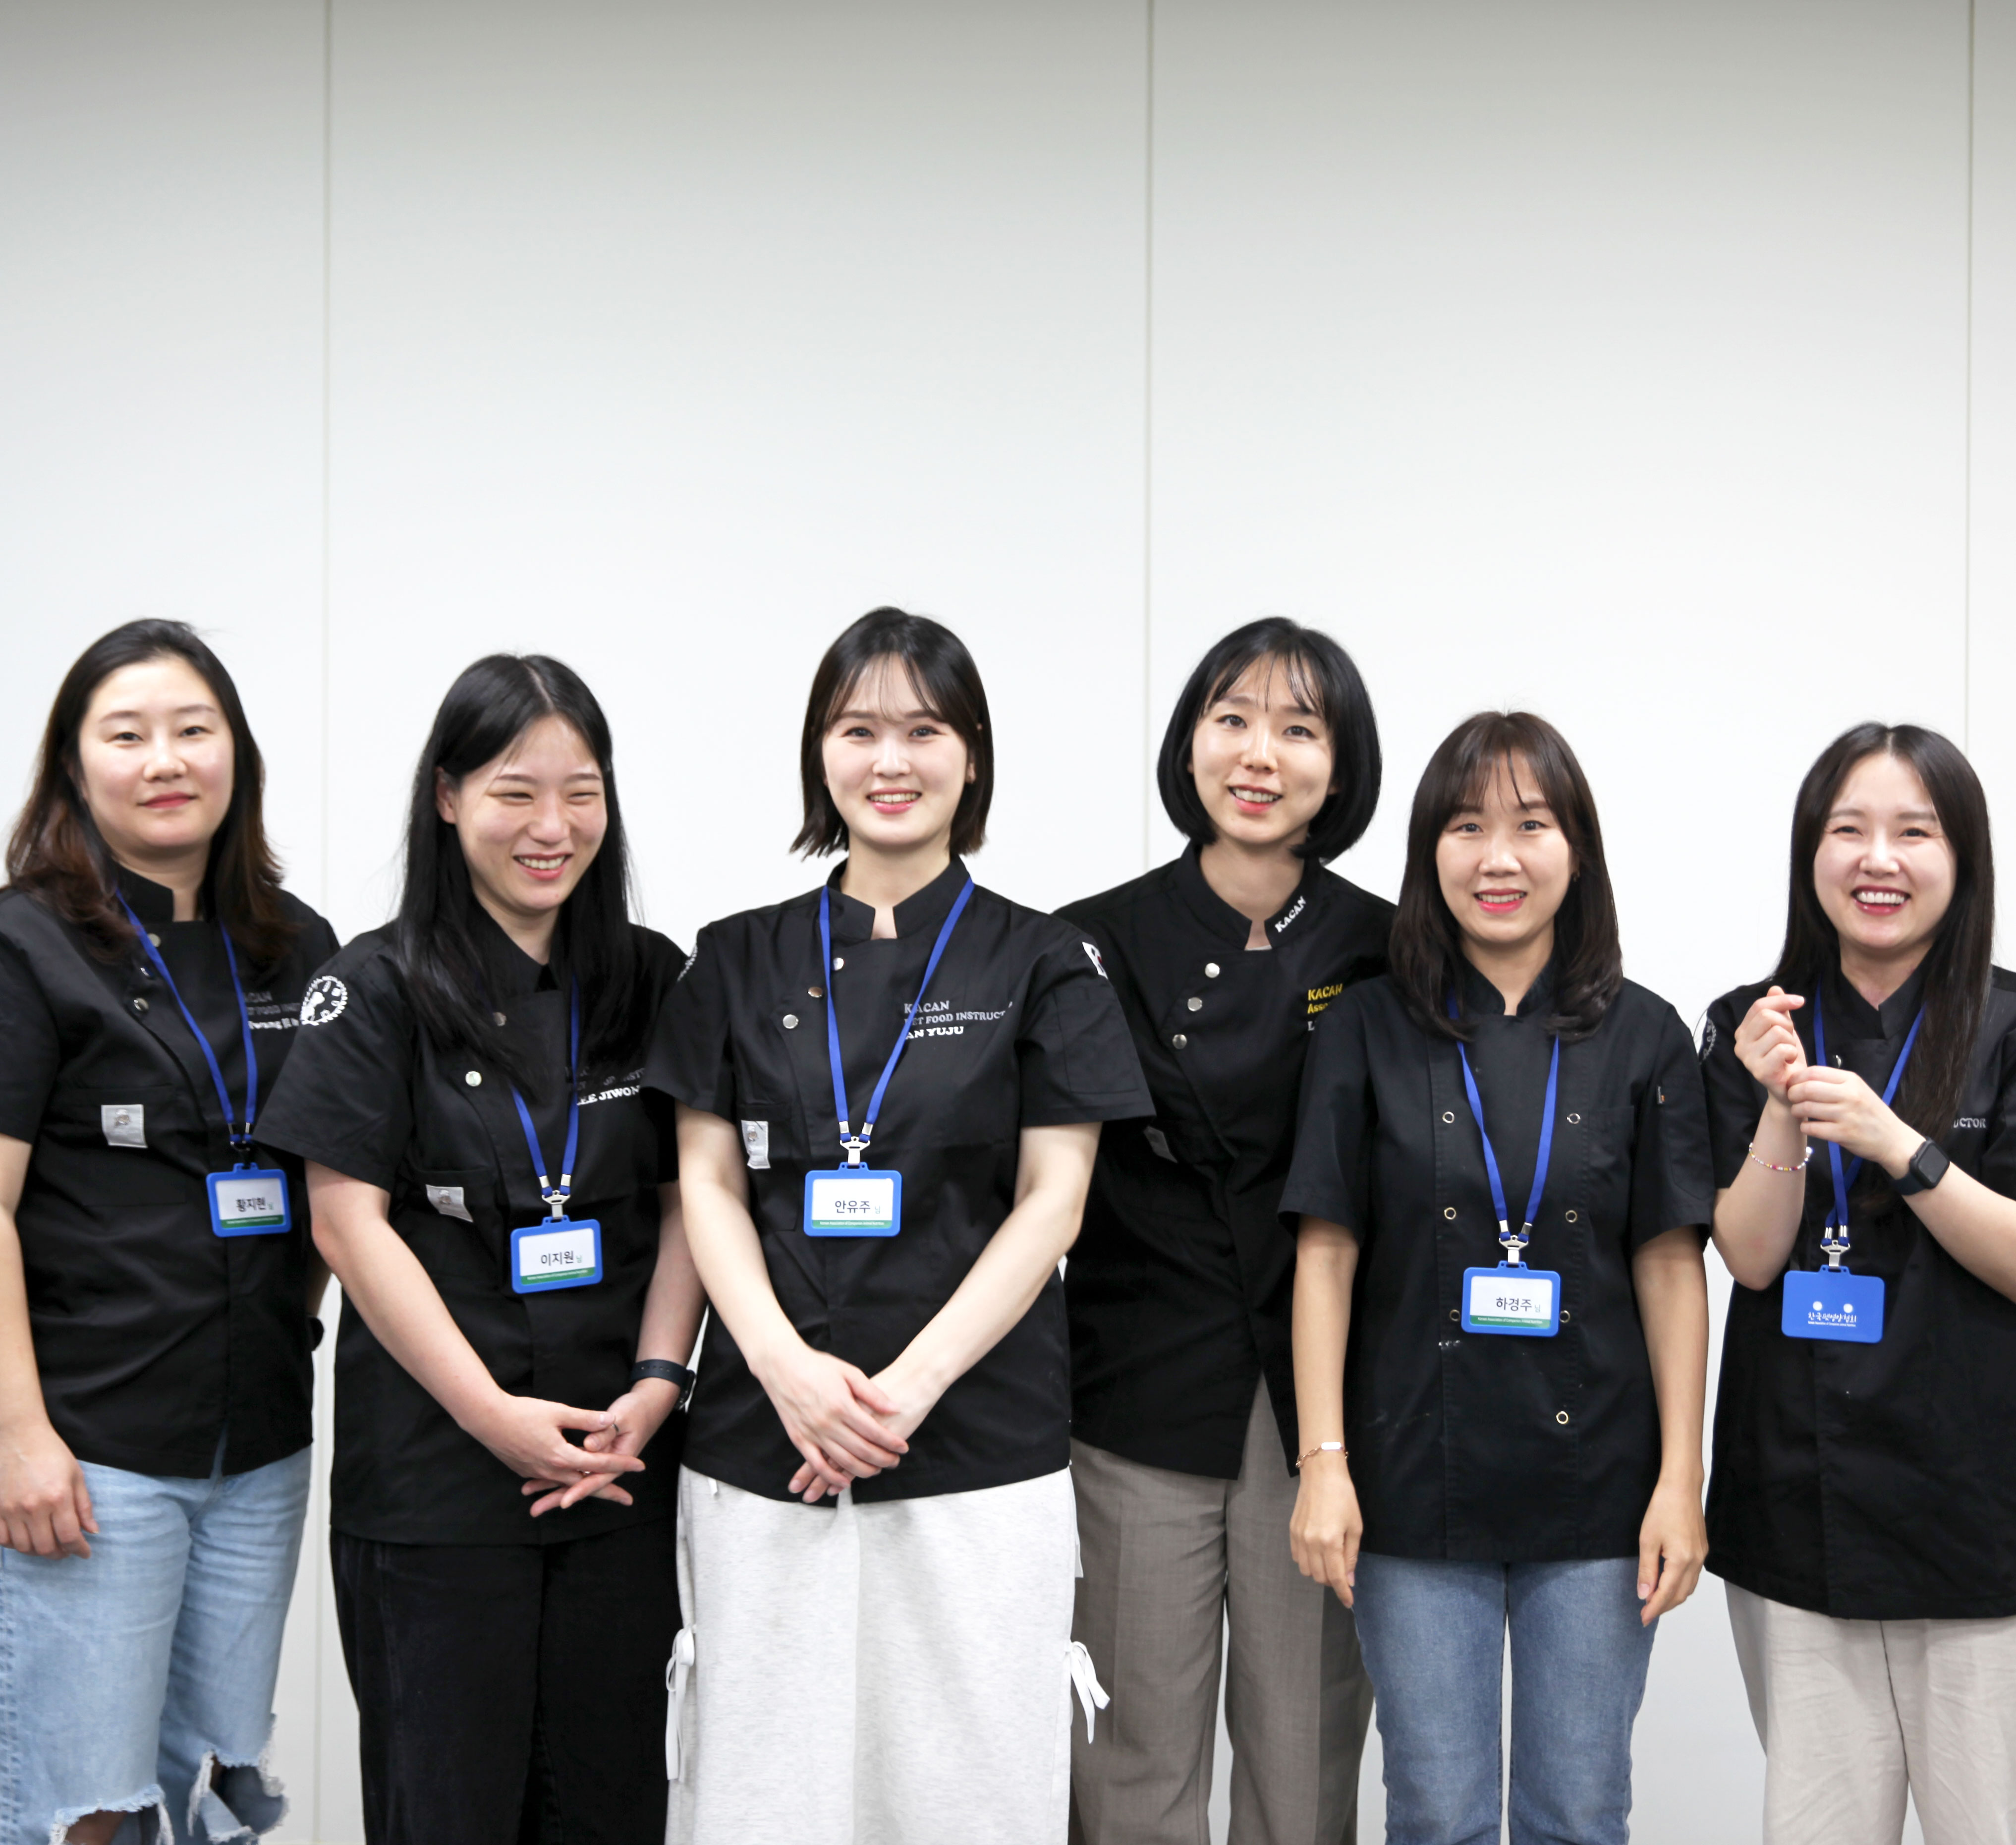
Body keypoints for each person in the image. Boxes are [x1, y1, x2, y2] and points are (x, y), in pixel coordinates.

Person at [653, 605, 1154, 1845]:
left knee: (969, 1792)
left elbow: (1055, 1202)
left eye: (925, 731)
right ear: (818, 753)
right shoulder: (734, 959)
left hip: (977, 1445)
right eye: (858, 729)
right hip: (765, 1442)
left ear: (971, 757)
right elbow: (707, 1186)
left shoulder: (1045, 963)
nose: (892, 760)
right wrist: (787, 1374)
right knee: (766, 1792)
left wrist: (902, 1395)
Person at [252, 654, 701, 1845]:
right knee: (445, 1811)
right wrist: (493, 1416)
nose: (552, 827)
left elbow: (690, 1204)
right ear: (448, 797)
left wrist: (660, 1382)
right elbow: (346, 1223)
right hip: (438, 1483)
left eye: (582, 793)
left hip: (621, 1470)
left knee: (612, 1810)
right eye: (515, 792)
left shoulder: (652, 979)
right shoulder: (373, 986)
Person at [1283, 710, 1713, 1845]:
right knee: (1437, 1815)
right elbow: (1326, 1252)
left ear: (1579, 848)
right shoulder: (1366, 1026)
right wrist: (1323, 1464)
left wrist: (1681, 1480)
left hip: (1601, 1489)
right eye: (1466, 826)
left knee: (1580, 1812)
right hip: (1411, 1480)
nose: (1498, 858)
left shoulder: (1648, 1037)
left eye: (1531, 825)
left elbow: (1672, 1268)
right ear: (1430, 850)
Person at [0, 619, 338, 1845]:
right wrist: (19, 1435)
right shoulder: (26, 942)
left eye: (193, 729)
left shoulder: (299, 946)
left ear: (235, 751)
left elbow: (330, 1186)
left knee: (210, 1792)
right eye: (127, 734)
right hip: (93, 1453)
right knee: (85, 1805)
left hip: (259, 1446)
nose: (165, 760)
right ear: (73, 762)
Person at [1061, 617, 1385, 1845]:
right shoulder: (1089, 943)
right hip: (1139, 1389)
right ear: (1190, 743)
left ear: (1339, 769)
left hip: (1328, 1409)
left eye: (1299, 729)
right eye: (1232, 719)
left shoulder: (1388, 948)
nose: (1260, 754)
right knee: (1131, 1761)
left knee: (1304, 1764)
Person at [1701, 723, 2016, 1845]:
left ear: (1962, 858)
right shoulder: (1750, 1023)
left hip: (1983, 1517)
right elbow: (1750, 1257)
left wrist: (1900, 1146)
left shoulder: (2011, 1024)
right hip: (1801, 1501)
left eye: (1914, 833)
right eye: (1849, 830)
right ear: (1812, 854)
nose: (1878, 859)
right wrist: (1780, 1105)